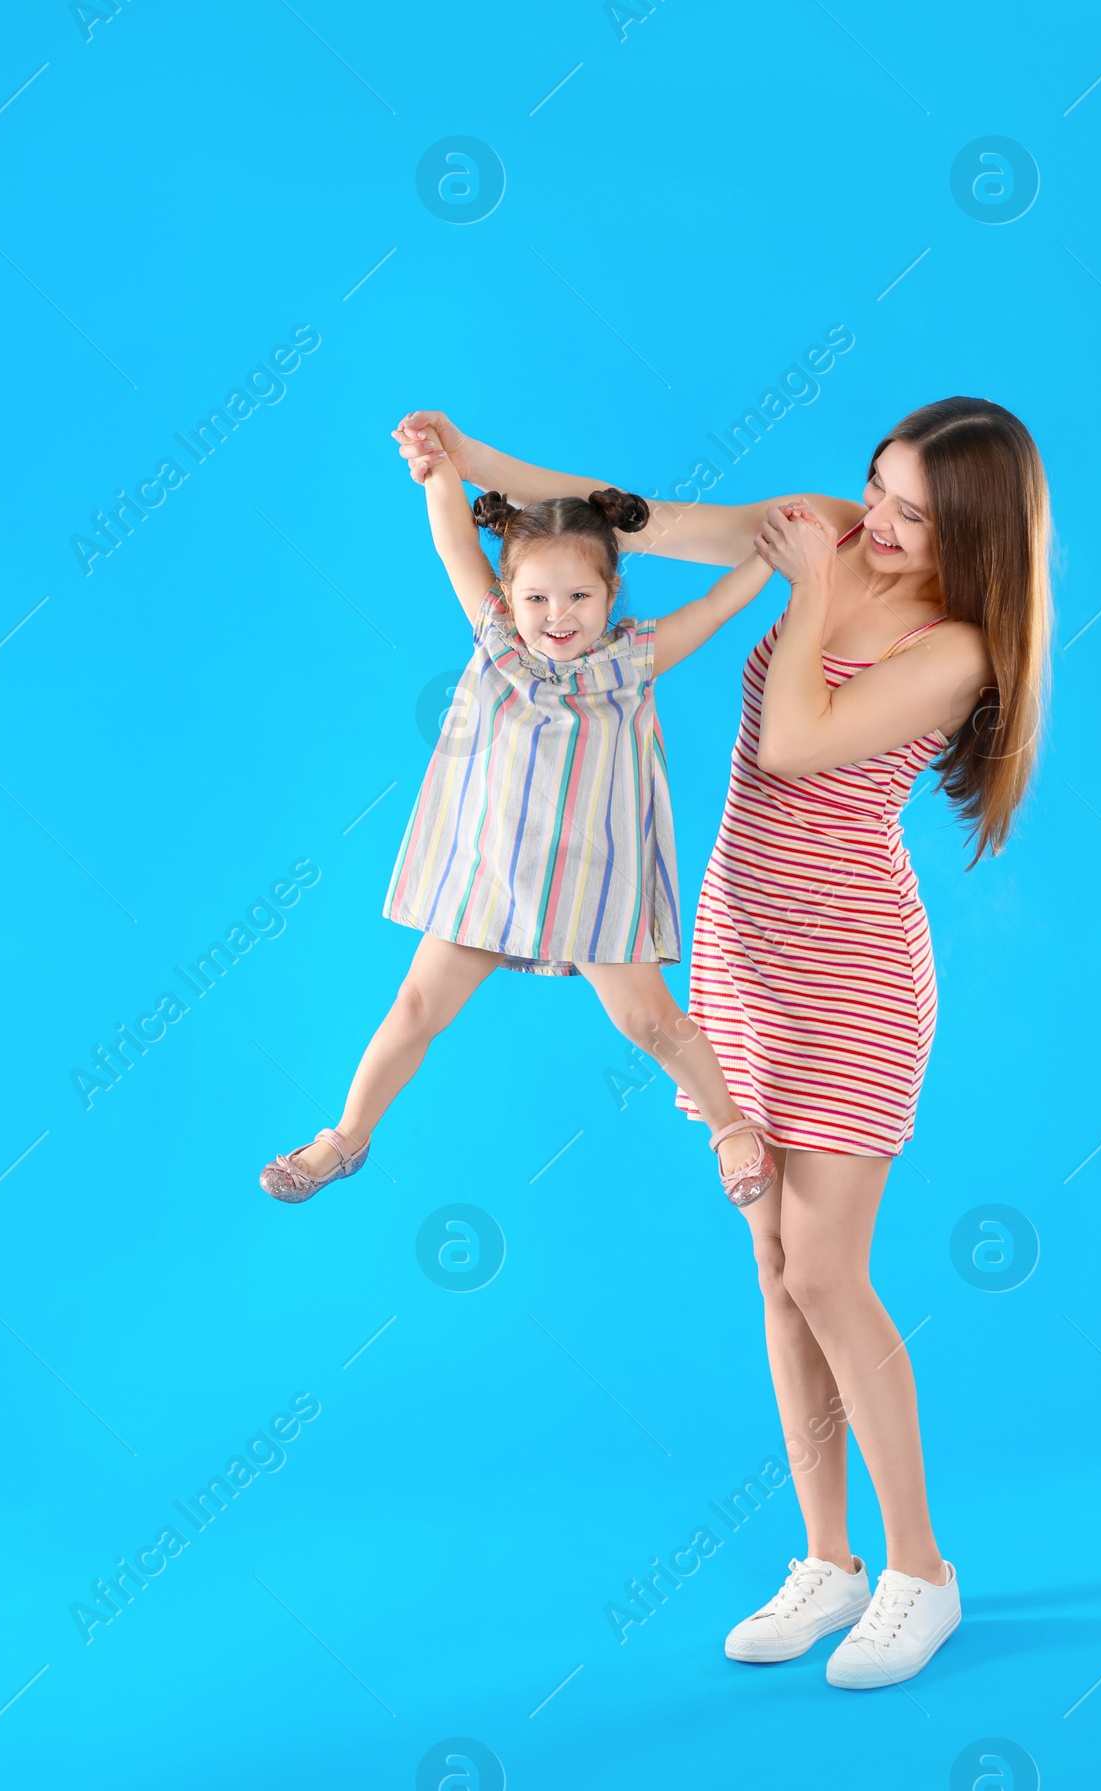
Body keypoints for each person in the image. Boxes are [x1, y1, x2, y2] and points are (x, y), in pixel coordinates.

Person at [394, 399, 1052, 1687]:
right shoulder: (831, 537)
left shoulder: (958, 645)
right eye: (878, 483)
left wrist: (804, 586)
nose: (877, 518)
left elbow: (800, 742)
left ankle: (922, 1571)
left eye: (913, 511)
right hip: (745, 948)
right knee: (770, 1261)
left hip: (854, 972)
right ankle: (828, 1562)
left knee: (826, 1270)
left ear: (969, 532)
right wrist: (474, 462)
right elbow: (634, 507)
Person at [258, 418, 776, 1208]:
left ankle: (730, 1126)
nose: (556, 615)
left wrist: (769, 559)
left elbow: (709, 609)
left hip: (597, 885)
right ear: (509, 596)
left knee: (650, 1022)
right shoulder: (498, 640)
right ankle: (345, 1137)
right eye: (536, 596)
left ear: (611, 596)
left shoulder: (630, 660)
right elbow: (454, 548)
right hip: (491, 874)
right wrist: (437, 469)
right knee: (416, 1007)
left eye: (579, 596)